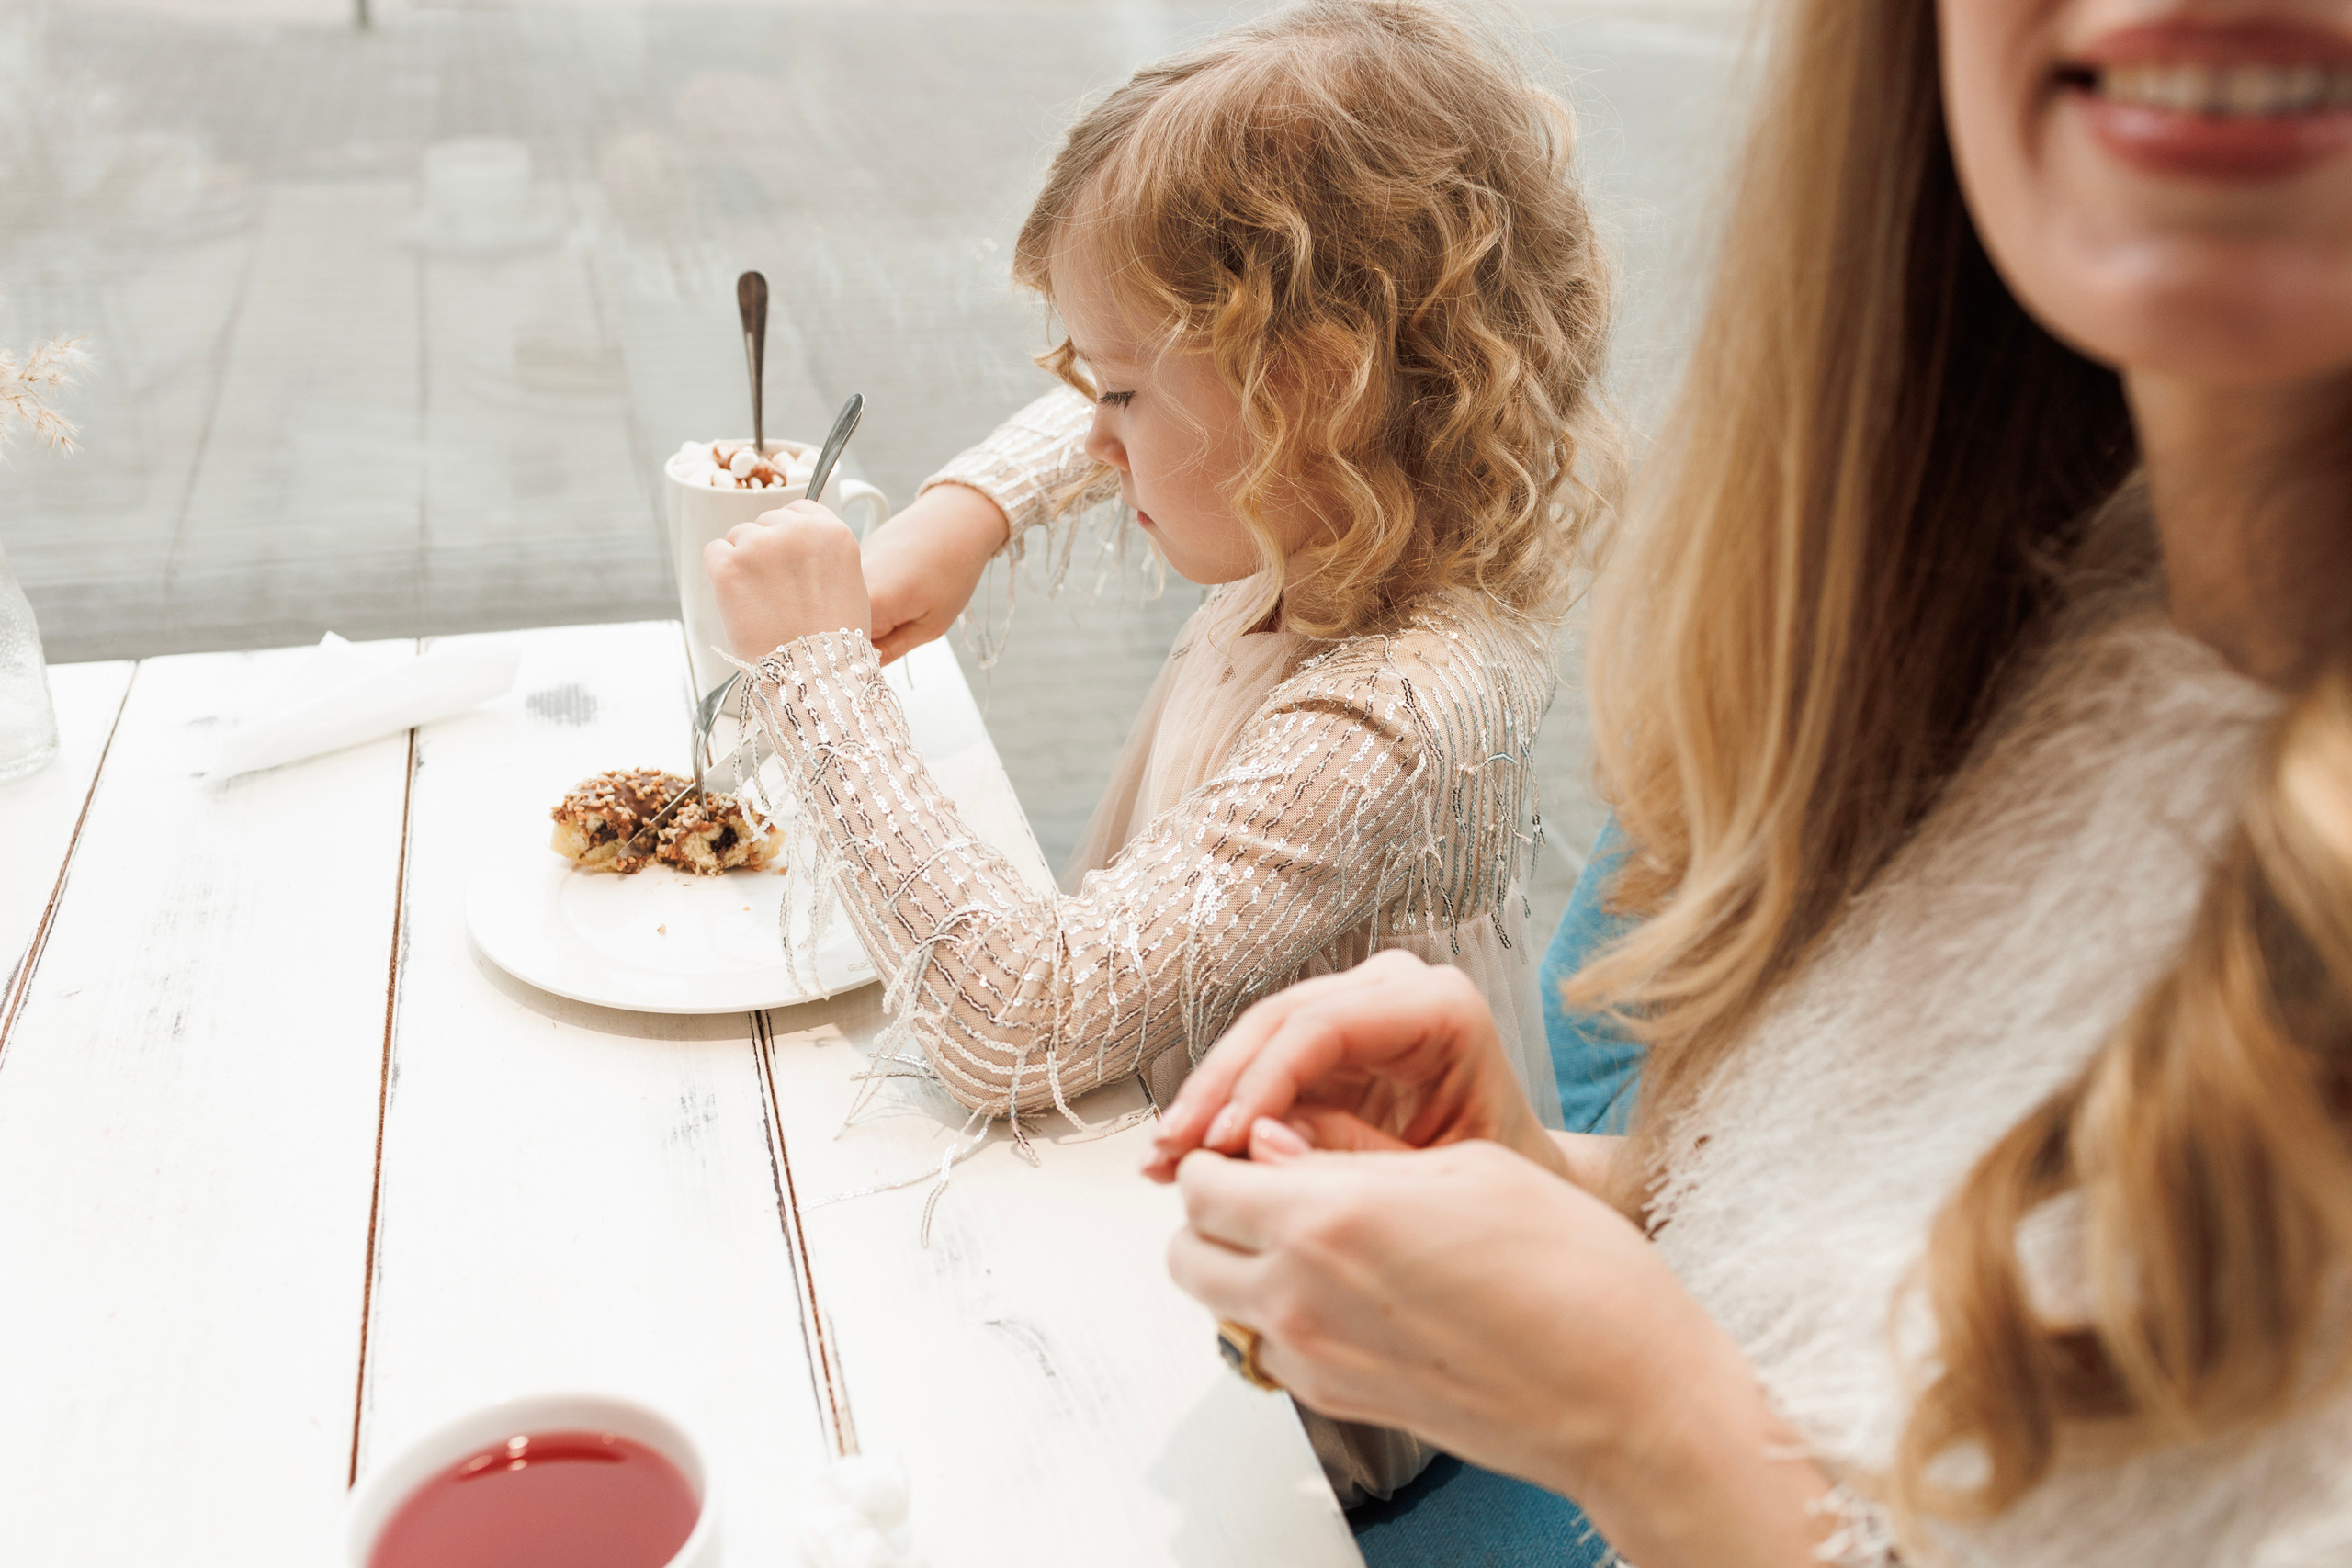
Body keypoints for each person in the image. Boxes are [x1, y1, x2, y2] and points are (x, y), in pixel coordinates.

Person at [1147, 1, 2352, 1564]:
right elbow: (1870, 1263)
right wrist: (1547, 1177)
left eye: (1122, 393)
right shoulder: (1969, 638)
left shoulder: (1395, 702)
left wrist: (1643, 1427)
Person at [703, 0, 1614, 1504]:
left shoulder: (1397, 706)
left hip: (1315, 1355)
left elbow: (1014, 1023)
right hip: (1164, 1105)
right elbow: (1115, 407)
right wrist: (967, 513)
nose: (1096, 433)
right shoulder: (1345, 501)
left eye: (1119, 394)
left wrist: (812, 671)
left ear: (1306, 388)